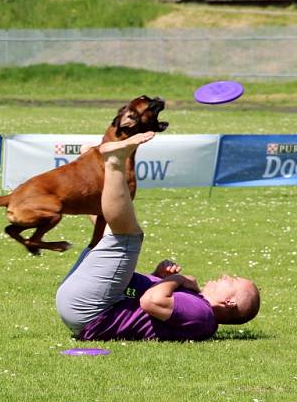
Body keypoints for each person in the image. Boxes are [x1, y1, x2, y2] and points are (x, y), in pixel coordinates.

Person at [55, 131, 260, 342]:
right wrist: (158, 276)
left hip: (92, 312)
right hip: (83, 308)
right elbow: (141, 300)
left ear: (229, 302)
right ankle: (93, 165)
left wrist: (177, 279)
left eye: (232, 280)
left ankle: (112, 163)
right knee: (107, 232)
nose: (226, 275)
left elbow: (150, 301)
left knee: (128, 238)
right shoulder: (198, 307)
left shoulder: (203, 314)